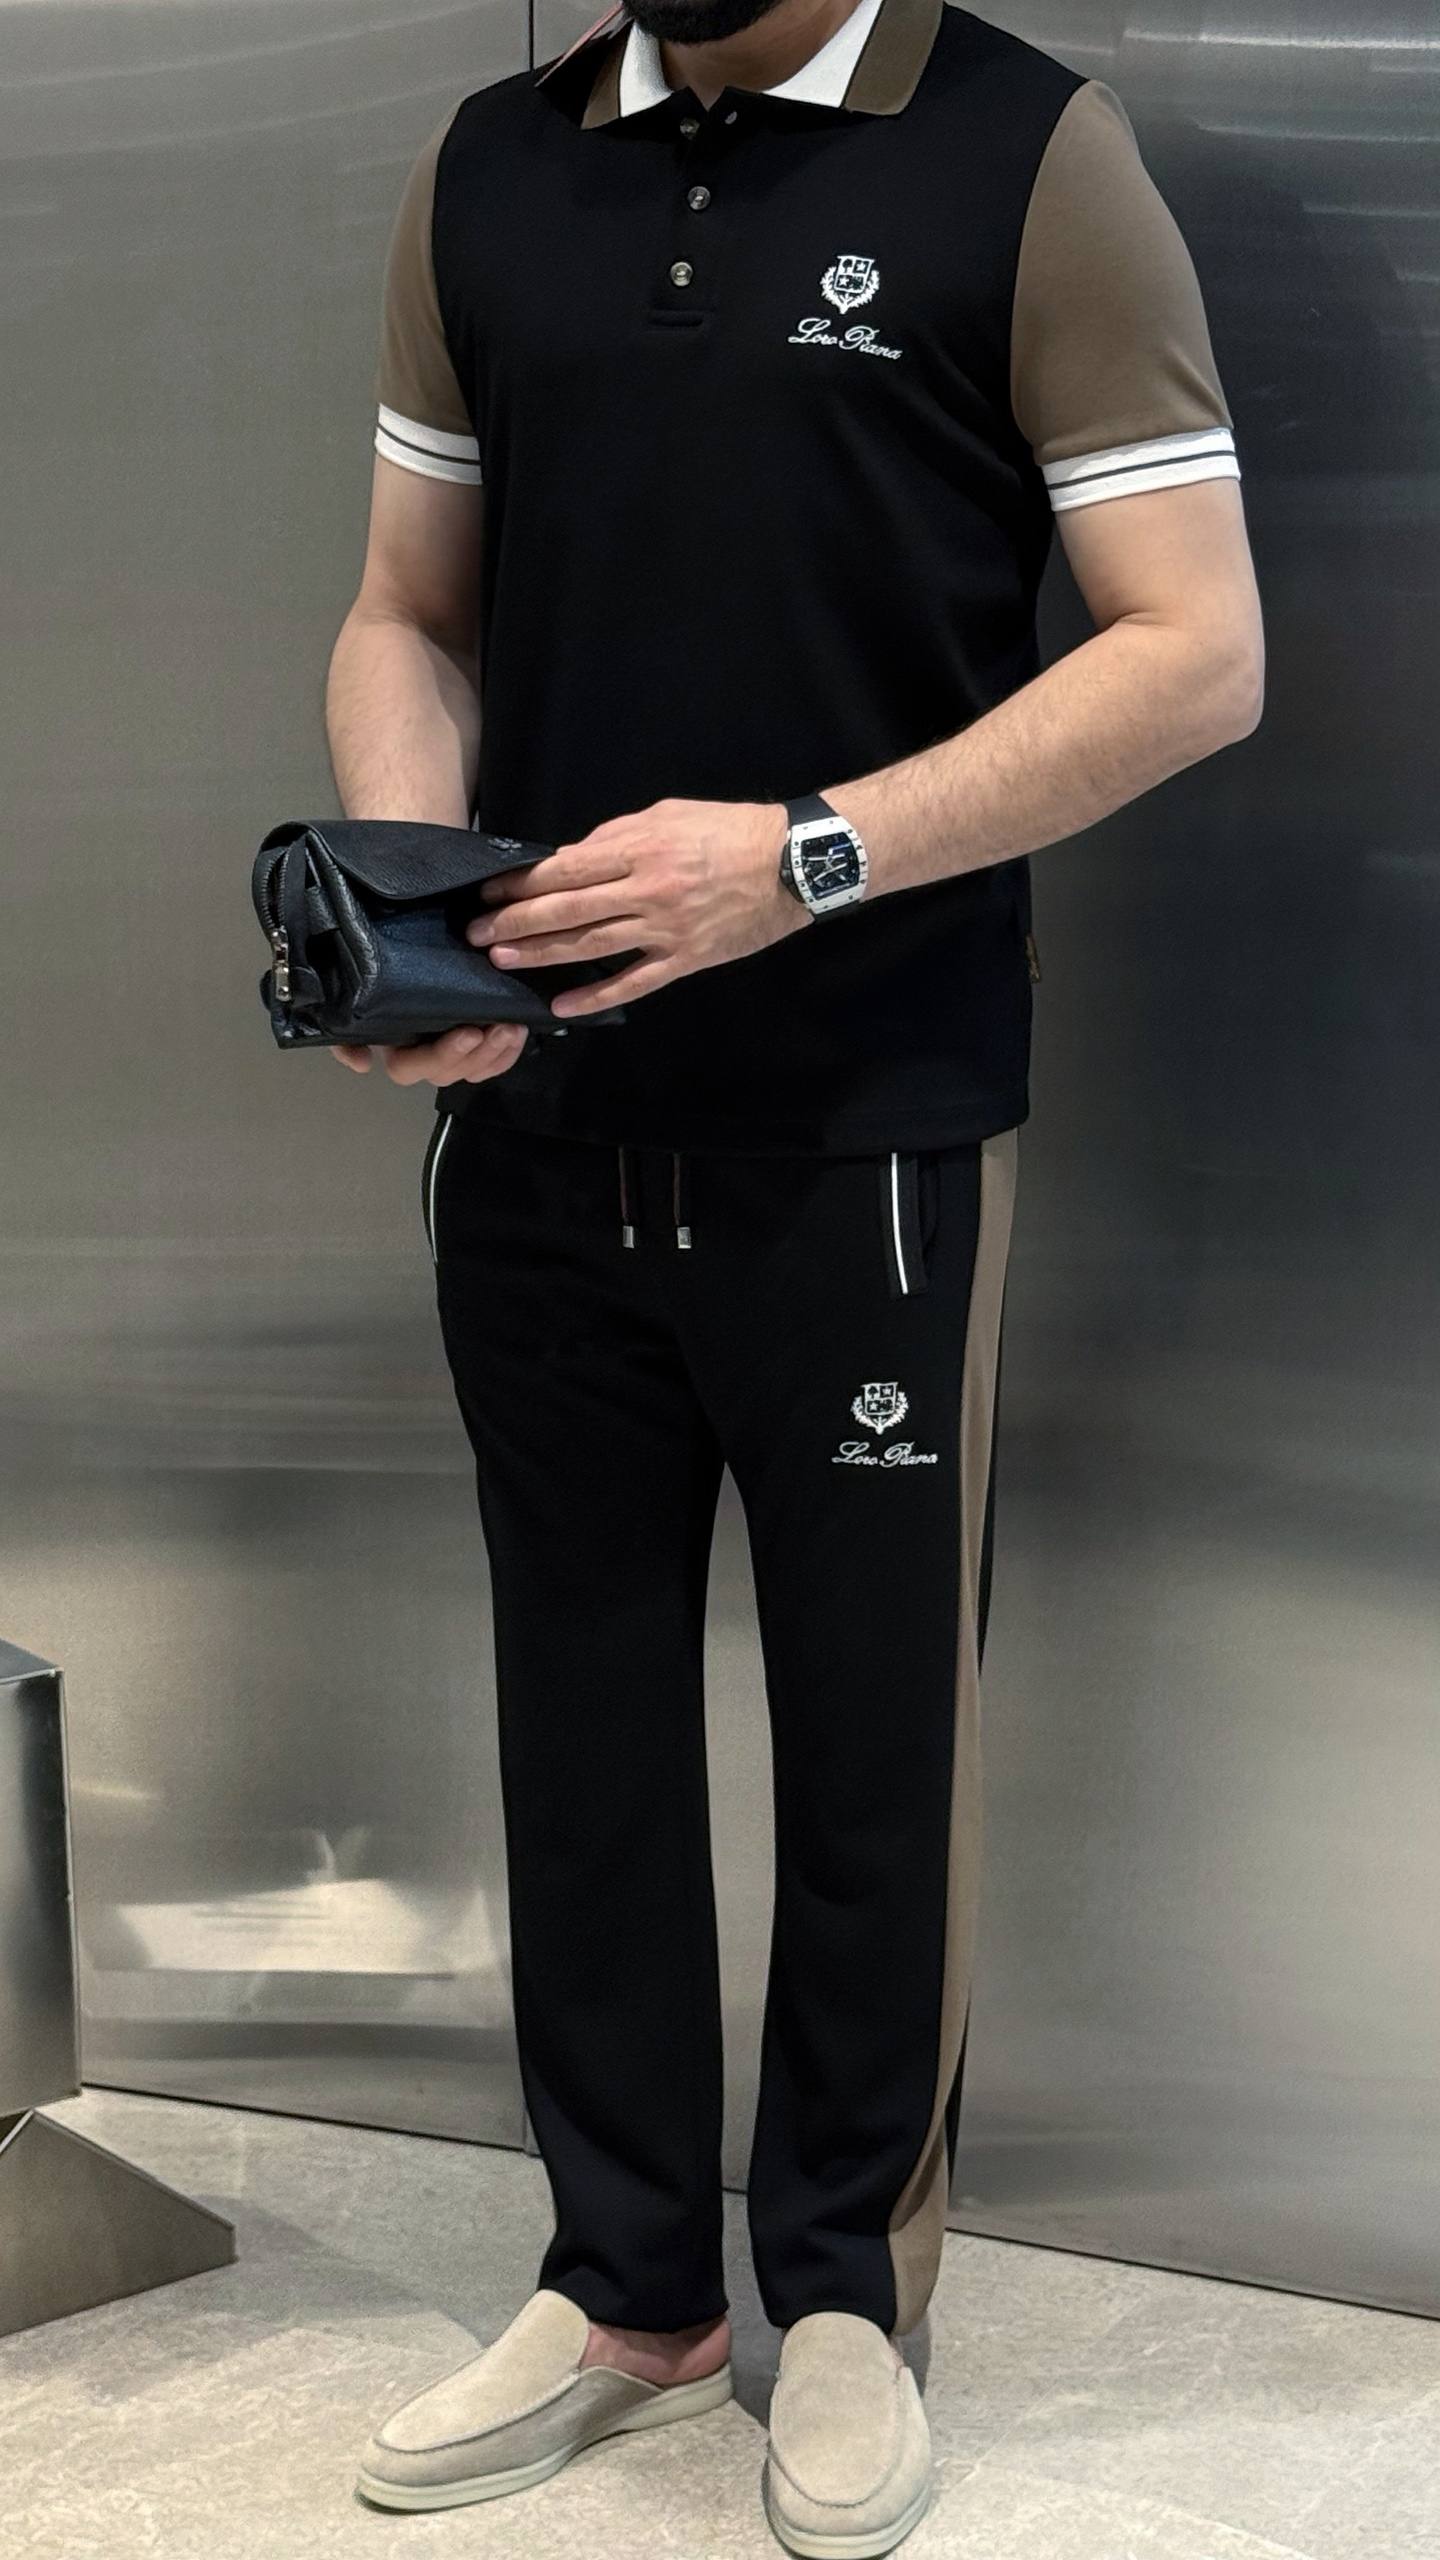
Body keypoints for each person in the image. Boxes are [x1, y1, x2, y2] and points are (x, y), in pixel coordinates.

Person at [329, 0, 1263, 2545]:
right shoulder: (492, 169)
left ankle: (843, 2289)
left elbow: (1197, 644)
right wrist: (417, 908)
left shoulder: (1028, 157)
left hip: (869, 1134)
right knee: (580, 1724)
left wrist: (803, 855)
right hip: (536, 1132)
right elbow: (407, 611)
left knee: (877, 1754)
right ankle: (626, 2278)